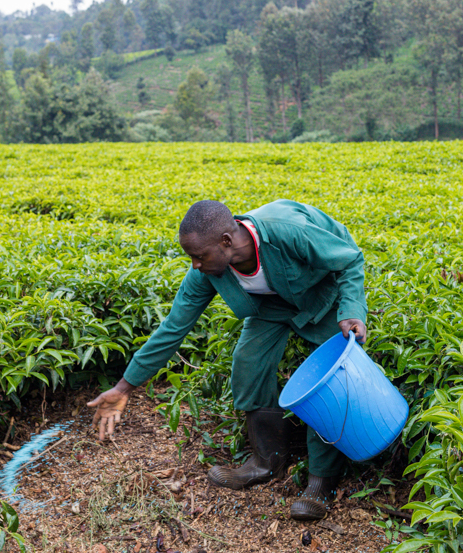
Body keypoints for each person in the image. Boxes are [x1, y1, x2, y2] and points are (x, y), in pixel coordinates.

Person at [86, 199, 368, 521]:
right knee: (247, 364)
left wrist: (351, 311)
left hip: (322, 295)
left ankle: (322, 482)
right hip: (270, 308)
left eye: (199, 256)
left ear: (226, 241)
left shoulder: (287, 232)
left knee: (328, 380)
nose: (194, 265)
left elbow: (348, 260)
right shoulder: (208, 273)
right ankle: (267, 462)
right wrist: (124, 388)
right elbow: (173, 328)